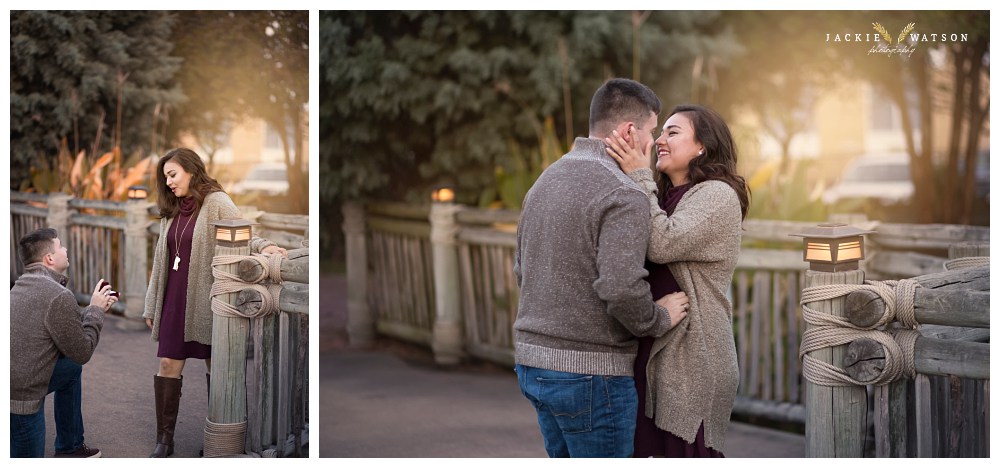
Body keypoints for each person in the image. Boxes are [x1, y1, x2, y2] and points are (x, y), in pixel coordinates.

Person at [512, 78, 690, 458]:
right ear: (628, 131)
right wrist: (658, 318)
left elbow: (521, 270)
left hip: (532, 364)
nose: (653, 142)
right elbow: (621, 287)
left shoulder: (544, 181)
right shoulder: (623, 193)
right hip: (591, 375)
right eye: (651, 130)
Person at [605, 104, 750, 457]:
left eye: (673, 132)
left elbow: (662, 242)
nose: (659, 141)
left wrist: (638, 176)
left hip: (692, 358)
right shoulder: (660, 196)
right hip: (653, 346)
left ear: (702, 146)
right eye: (661, 132)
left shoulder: (717, 195)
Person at [143, 147, 287, 457]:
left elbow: (243, 232)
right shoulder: (173, 208)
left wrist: (266, 247)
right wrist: (151, 303)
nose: (168, 182)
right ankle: (164, 442)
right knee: (167, 364)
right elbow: (161, 262)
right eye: (165, 177)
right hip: (173, 300)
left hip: (207, 299)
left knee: (217, 366)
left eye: (173, 174)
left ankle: (220, 442)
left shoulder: (216, 202)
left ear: (191, 171)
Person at [10, 228, 118, 458]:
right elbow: (82, 351)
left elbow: (59, 327)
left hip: (12, 380)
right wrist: (96, 311)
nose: (65, 249)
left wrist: (91, 309)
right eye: (60, 246)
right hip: (19, 396)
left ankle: (70, 447)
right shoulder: (57, 294)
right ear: (49, 258)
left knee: (70, 369)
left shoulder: (20, 286)